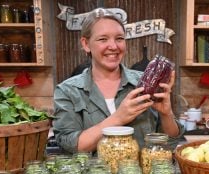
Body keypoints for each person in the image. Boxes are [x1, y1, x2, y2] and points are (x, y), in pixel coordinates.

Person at [53, 8, 184, 154]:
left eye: (119, 38)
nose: (114, 46)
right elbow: (71, 145)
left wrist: (166, 114)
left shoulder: (145, 83)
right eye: (103, 39)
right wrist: (118, 118)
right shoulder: (67, 90)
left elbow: (169, 142)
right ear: (86, 44)